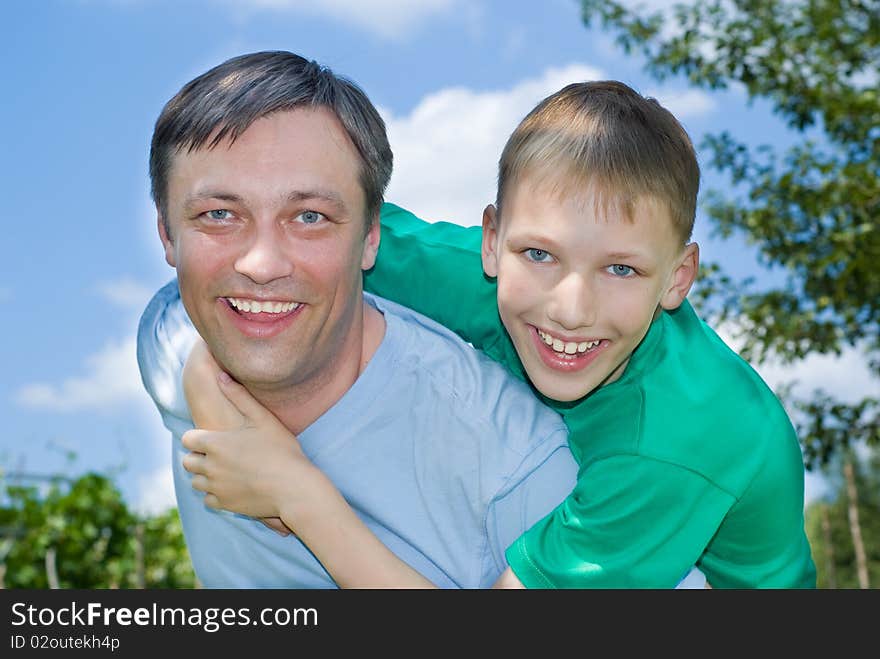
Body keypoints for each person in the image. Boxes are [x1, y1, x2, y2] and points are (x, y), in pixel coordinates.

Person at [183, 79, 816, 588]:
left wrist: (299, 495)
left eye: (621, 268)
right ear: (492, 243)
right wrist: (205, 373)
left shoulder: (675, 445)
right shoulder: (471, 280)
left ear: (677, 279)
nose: (571, 308)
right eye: (539, 254)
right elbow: (258, 263)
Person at [135, 50, 580, 588]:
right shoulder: (171, 343)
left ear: (371, 236)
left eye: (309, 217)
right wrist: (205, 383)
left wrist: (301, 497)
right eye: (219, 215)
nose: (261, 265)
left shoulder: (514, 462)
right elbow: (169, 321)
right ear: (167, 235)